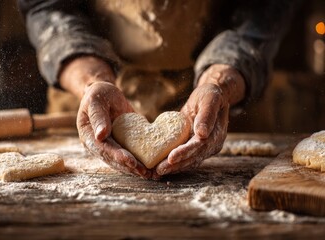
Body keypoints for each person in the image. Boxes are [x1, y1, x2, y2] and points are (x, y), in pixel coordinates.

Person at [18, 0, 301, 179]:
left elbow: (267, 9)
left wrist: (219, 83)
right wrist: (93, 81)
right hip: (88, 89)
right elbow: (46, 6)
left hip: (225, 96)